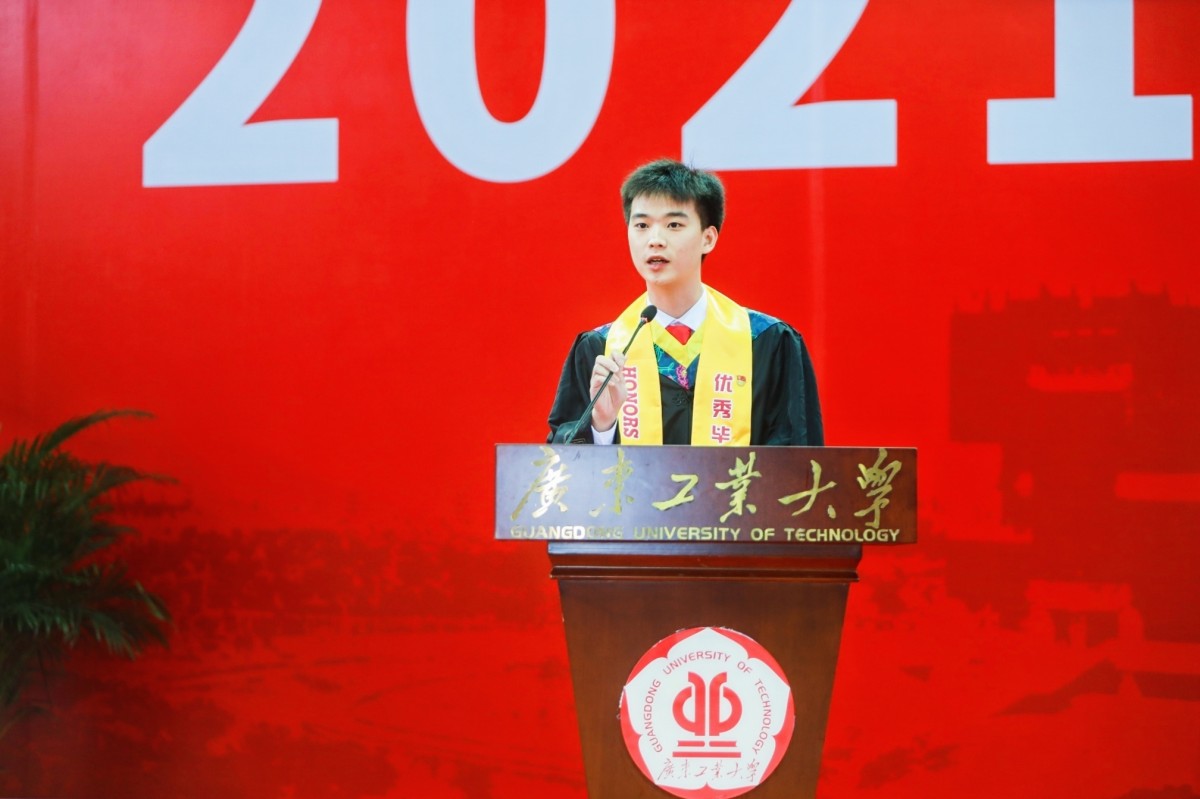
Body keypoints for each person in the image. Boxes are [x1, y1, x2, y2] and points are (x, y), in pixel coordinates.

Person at [547, 159, 823, 446]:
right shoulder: (602, 350)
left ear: (708, 238)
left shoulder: (767, 342)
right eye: (641, 225)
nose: (655, 240)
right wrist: (602, 425)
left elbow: (799, 459)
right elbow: (560, 463)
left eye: (674, 224)